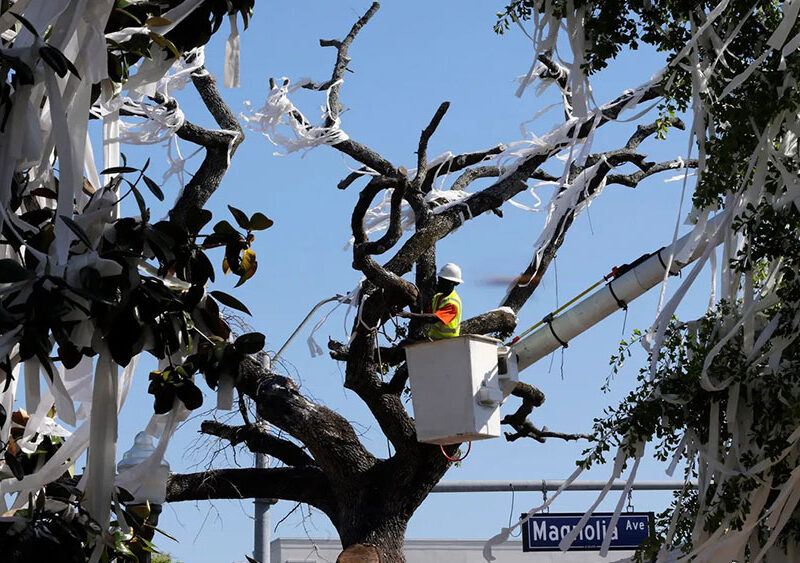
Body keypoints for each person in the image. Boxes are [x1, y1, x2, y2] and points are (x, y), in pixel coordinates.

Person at [397, 263, 463, 339]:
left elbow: (432, 318)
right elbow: (426, 313)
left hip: (449, 342)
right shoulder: (437, 297)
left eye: (442, 281)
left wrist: (408, 315)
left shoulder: (452, 303)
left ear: (452, 283)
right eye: (439, 280)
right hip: (436, 340)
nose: (438, 283)